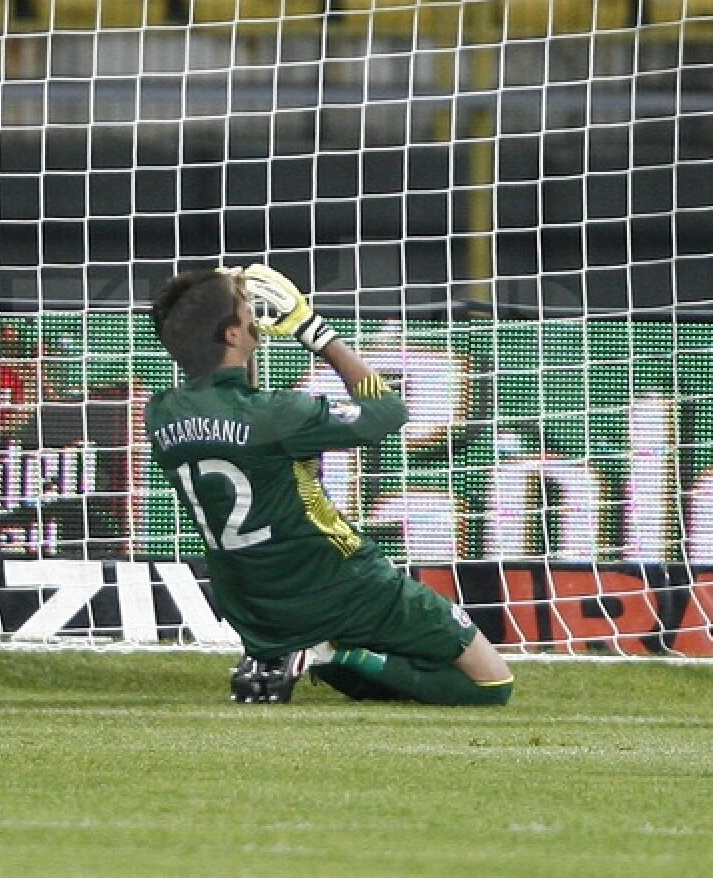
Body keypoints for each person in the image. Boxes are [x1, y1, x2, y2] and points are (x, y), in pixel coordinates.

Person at [146, 264, 514, 706]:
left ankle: (294, 655)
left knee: (390, 672)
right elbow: (387, 411)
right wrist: (314, 332)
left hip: (251, 605)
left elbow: (234, 410)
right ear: (231, 335)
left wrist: (224, 304)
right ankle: (326, 654)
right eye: (248, 312)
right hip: (339, 582)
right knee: (491, 684)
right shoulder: (278, 414)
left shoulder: (161, 414)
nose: (256, 317)